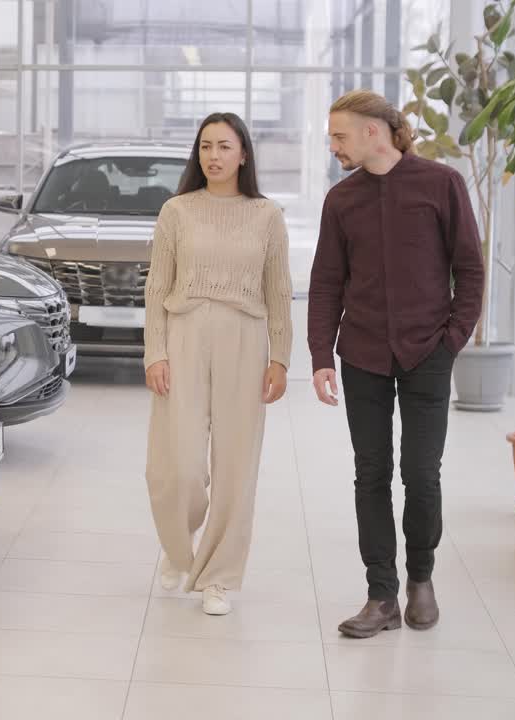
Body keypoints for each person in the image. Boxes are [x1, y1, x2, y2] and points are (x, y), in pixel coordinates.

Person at [309, 90, 484, 638]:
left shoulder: (441, 184)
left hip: (427, 352)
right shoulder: (341, 201)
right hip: (361, 354)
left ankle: (422, 579)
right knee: (371, 473)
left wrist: (451, 339)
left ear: (373, 132)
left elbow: (470, 270)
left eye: (339, 135)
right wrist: (320, 356)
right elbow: (326, 283)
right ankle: (381, 594)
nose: (333, 145)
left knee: (421, 473)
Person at [144, 113, 293, 616]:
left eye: (225, 146)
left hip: (245, 340)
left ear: (244, 154)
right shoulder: (176, 211)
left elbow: (279, 291)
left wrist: (280, 357)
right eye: (206, 146)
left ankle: (220, 577)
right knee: (179, 464)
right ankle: (179, 543)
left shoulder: (267, 215)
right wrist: (155, 351)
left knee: (235, 466)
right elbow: (157, 289)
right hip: (184, 334)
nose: (214, 155)